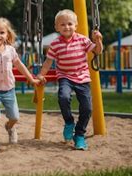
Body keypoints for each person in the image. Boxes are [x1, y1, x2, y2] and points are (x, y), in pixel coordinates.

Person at [36, 9, 103, 150]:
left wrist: (98, 41)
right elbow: (48, 62)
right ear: (57, 27)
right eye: (62, 24)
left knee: (87, 108)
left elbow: (97, 51)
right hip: (65, 76)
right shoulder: (55, 44)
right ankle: (69, 122)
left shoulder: (83, 40)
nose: (66, 27)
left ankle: (79, 135)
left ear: (76, 25)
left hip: (82, 77)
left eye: (69, 24)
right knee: (63, 97)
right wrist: (41, 74)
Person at [0, 17, 41, 154]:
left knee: (14, 117)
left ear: (7, 35)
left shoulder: (10, 50)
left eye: (1, 32)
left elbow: (20, 66)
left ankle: (10, 127)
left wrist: (31, 79)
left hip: (9, 90)